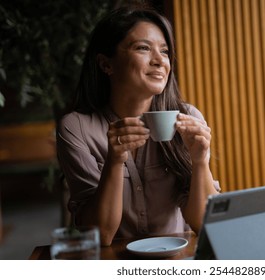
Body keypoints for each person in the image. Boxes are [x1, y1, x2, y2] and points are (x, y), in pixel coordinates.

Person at [56, 7, 220, 246]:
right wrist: (114, 161)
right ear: (106, 64)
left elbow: (205, 225)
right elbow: (100, 235)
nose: (159, 61)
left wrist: (200, 161)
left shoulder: (188, 118)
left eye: (164, 51)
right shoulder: (77, 127)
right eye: (143, 48)